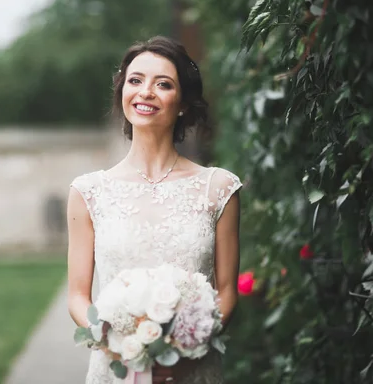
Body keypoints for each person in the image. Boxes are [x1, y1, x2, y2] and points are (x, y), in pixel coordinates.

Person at [67, 36, 242, 384]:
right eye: (135, 80)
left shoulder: (218, 188)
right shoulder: (88, 192)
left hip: (193, 369)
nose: (146, 91)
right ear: (122, 93)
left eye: (163, 84)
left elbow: (226, 292)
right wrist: (117, 344)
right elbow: (77, 295)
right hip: (116, 369)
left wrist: (184, 347)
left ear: (182, 105)